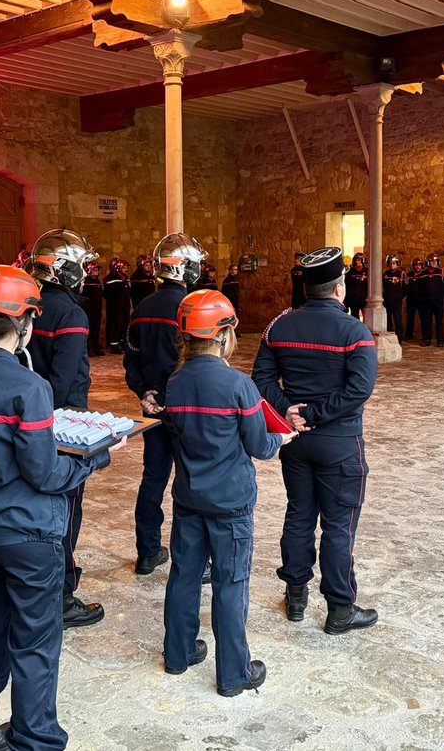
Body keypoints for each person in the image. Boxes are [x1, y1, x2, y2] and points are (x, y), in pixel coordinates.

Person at [0, 265, 115, 751]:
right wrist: (93, 459)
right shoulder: (30, 388)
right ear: (25, 324)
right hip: (30, 532)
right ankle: (35, 738)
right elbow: (44, 475)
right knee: (36, 640)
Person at [163, 290, 287, 697]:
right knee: (230, 583)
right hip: (231, 502)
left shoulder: (175, 383)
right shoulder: (239, 385)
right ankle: (234, 673)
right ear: (221, 335)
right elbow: (259, 445)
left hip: (188, 496)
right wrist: (279, 441)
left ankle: (178, 653)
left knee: (183, 575)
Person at [252, 246, 379, 635]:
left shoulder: (279, 327)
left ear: (307, 288)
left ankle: (295, 596)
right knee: (339, 525)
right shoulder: (354, 332)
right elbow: (360, 389)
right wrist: (314, 413)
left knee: (299, 514)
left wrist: (290, 411)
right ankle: (340, 608)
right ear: (339, 289)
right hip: (339, 442)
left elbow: (259, 380)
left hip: (296, 441)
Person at [24, 229, 104, 630]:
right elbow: (64, 376)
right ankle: (61, 593)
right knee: (68, 509)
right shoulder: (71, 313)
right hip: (63, 419)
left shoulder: (31, 301)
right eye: (82, 266)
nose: (87, 273)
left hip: (30, 415)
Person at [124, 233, 207, 575]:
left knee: (153, 478)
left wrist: (145, 392)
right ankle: (195, 561)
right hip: (186, 410)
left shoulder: (142, 307)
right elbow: (197, 362)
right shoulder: (193, 308)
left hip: (152, 405)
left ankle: (147, 551)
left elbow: (131, 359)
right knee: (192, 482)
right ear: (185, 268)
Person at [103, 257, 131, 354]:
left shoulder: (125, 278)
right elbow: (107, 294)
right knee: (116, 326)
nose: (126, 269)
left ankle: (123, 343)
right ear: (118, 268)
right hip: (115, 307)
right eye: (124, 267)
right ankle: (114, 346)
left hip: (125, 307)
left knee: (125, 325)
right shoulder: (111, 279)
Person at [419, 254, 444, 347]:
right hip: (426, 302)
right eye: (432, 261)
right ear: (428, 262)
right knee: (427, 321)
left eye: (435, 261)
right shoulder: (423, 274)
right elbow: (420, 288)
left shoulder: (441, 272)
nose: (434, 263)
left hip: (438, 301)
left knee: (439, 321)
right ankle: (426, 339)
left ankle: (440, 340)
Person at [80, 261, 104, 357]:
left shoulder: (98, 281)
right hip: (88, 310)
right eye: (94, 269)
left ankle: (96, 347)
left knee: (96, 329)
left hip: (97, 309)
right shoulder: (86, 282)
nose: (96, 271)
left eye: (97, 270)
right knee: (89, 330)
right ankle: (87, 348)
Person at [381, 256, 404, 342]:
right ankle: (389, 338)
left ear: (397, 264)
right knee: (388, 320)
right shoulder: (385, 274)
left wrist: (399, 296)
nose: (392, 265)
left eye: (394, 263)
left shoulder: (401, 274)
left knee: (398, 319)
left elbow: (405, 288)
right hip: (387, 301)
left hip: (396, 301)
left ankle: (399, 338)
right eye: (390, 263)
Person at [404, 257, 423, 342]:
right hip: (411, 299)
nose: (418, 267)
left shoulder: (423, 274)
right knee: (410, 318)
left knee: (423, 318)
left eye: (419, 265)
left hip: (421, 299)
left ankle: (424, 335)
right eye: (416, 265)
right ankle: (409, 334)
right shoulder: (409, 275)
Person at [344, 253, 368, 319]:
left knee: (367, 317)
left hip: (364, 299)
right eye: (355, 260)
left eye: (359, 260)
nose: (357, 262)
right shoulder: (351, 271)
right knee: (354, 318)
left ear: (363, 261)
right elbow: (347, 285)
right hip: (353, 300)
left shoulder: (367, 271)